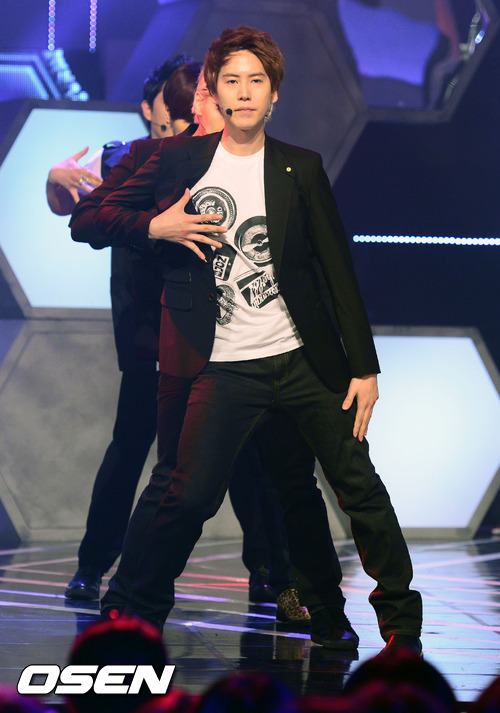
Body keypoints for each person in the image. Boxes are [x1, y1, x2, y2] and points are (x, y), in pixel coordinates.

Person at [93, 25, 423, 653]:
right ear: (214, 92)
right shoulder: (178, 160)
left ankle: (397, 630)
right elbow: (91, 218)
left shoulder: (302, 167)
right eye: (232, 81)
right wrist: (155, 226)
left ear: (275, 94)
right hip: (225, 366)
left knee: (356, 490)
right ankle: (137, 624)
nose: (244, 93)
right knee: (188, 497)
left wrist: (364, 367)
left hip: (303, 362)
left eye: (257, 81)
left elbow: (336, 271)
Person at [69, 70, 334, 624]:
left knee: (278, 474)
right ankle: (118, 593)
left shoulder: (267, 160)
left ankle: (292, 588)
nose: (233, 99)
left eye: (245, 86)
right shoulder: (157, 156)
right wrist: (155, 226)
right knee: (171, 477)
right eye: (216, 92)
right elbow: (87, 215)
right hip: (174, 343)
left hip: (259, 347)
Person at [46, 56, 195, 602]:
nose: (176, 114)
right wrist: (55, 181)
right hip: (147, 330)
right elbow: (73, 207)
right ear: (150, 107)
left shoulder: (211, 155)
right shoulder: (126, 157)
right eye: (170, 103)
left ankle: (271, 573)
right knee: (131, 445)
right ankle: (93, 565)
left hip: (203, 329)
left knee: (244, 458)